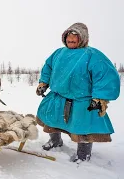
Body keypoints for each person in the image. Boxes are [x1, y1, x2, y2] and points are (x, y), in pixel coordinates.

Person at [36, 22, 120, 162]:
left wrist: (100, 98)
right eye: (68, 38)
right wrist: (44, 82)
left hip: (81, 100)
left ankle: (83, 155)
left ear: (83, 38)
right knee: (51, 119)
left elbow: (105, 75)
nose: (71, 41)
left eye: (74, 39)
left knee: (83, 128)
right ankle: (56, 141)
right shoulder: (59, 53)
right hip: (58, 96)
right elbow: (48, 67)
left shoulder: (92, 55)